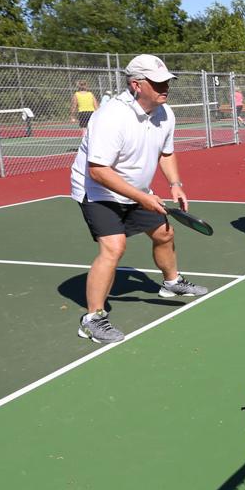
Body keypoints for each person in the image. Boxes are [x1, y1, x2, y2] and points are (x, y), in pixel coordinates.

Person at [70, 54, 209, 344]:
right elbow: (98, 171)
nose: (165, 87)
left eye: (167, 82)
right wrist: (142, 197)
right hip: (98, 191)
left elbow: (166, 152)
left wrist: (175, 184)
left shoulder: (164, 113)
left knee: (164, 233)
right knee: (114, 247)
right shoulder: (111, 117)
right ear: (136, 85)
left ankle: (171, 283)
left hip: (135, 189)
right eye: (158, 83)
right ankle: (92, 319)